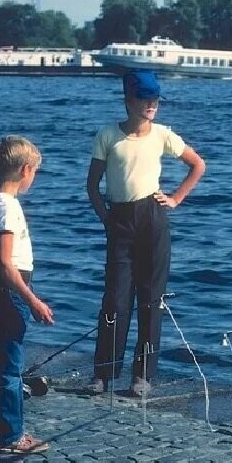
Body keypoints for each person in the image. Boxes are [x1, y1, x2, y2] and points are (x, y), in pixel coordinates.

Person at [86, 70, 205, 397]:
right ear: (128, 100)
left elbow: (198, 164)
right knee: (115, 298)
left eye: (155, 99)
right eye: (144, 98)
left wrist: (177, 198)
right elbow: (92, 185)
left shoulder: (163, 135)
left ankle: (143, 377)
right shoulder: (109, 135)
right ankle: (104, 374)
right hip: (119, 221)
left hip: (152, 219)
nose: (151, 104)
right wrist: (106, 218)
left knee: (151, 300)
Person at [0, 135, 55, 454]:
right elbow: (5, 265)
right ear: (25, 170)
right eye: (34, 172)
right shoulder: (7, 209)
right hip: (7, 291)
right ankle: (11, 437)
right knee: (9, 366)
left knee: (5, 363)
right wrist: (33, 300)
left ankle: (9, 430)